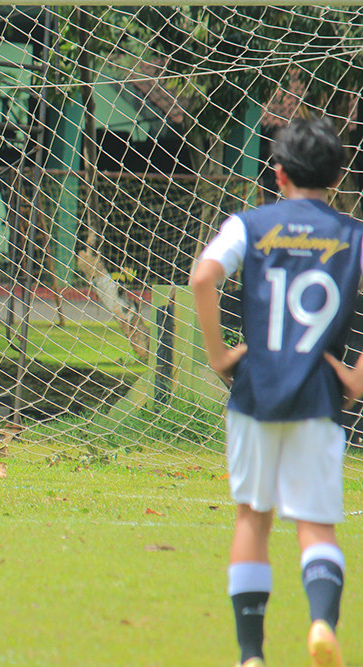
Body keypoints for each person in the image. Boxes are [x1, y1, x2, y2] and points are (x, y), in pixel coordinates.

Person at [190, 115, 356, 667]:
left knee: (252, 518)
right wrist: (359, 375)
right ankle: (319, 625)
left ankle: (250, 655)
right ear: (335, 177)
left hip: (255, 391)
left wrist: (218, 356)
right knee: (314, 525)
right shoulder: (352, 234)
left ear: (277, 174)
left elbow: (202, 276)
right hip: (319, 395)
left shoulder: (250, 224)